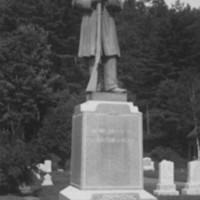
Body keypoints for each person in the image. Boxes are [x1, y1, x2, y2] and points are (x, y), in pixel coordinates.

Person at [72, 0, 126, 93]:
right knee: (93, 52)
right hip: (90, 20)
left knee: (111, 51)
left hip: (107, 20)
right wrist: (92, 1)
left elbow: (119, 5)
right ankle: (96, 85)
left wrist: (108, 1)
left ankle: (111, 85)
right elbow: (76, 3)